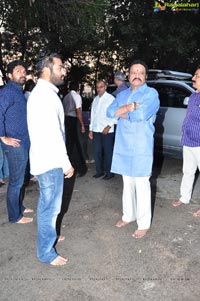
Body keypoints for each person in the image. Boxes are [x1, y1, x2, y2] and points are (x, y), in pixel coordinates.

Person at [27, 53, 74, 266]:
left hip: (45, 159)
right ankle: (46, 253)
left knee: (48, 205)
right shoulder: (44, 96)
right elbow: (53, 133)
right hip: (50, 161)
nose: (63, 70)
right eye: (60, 66)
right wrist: (66, 163)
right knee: (50, 207)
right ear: (47, 69)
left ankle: (50, 235)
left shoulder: (43, 93)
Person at [107, 60, 159, 238]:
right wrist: (130, 107)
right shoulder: (122, 94)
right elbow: (109, 112)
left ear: (145, 76)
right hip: (123, 145)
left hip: (141, 145)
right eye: (133, 72)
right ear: (128, 75)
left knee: (142, 184)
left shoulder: (151, 94)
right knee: (127, 183)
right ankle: (129, 215)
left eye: (141, 72)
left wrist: (123, 113)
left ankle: (143, 223)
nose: (137, 74)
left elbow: (142, 115)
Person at [0, 60, 33, 224]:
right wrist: (2, 137)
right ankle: (15, 216)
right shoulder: (7, 91)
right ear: (9, 75)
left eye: (24, 71)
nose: (23, 73)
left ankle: (19, 207)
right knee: (16, 181)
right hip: (14, 144)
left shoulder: (18, 92)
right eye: (18, 71)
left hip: (23, 141)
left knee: (20, 179)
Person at [172, 66, 200, 217]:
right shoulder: (195, 95)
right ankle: (184, 197)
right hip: (188, 140)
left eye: (196, 76)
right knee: (188, 171)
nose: (193, 78)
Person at [89, 80, 116, 180]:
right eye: (97, 87)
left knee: (108, 152)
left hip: (107, 131)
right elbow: (93, 115)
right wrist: (91, 129)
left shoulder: (111, 99)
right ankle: (99, 171)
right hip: (96, 129)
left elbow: (116, 114)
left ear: (105, 87)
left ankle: (109, 173)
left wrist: (108, 126)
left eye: (101, 87)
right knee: (97, 152)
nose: (99, 89)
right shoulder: (95, 99)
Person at [63, 81, 88, 177]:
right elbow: (78, 111)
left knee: (69, 143)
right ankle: (81, 167)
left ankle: (69, 164)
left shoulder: (66, 97)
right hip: (74, 120)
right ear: (78, 87)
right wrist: (82, 124)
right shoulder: (76, 96)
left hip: (67, 120)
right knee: (79, 142)